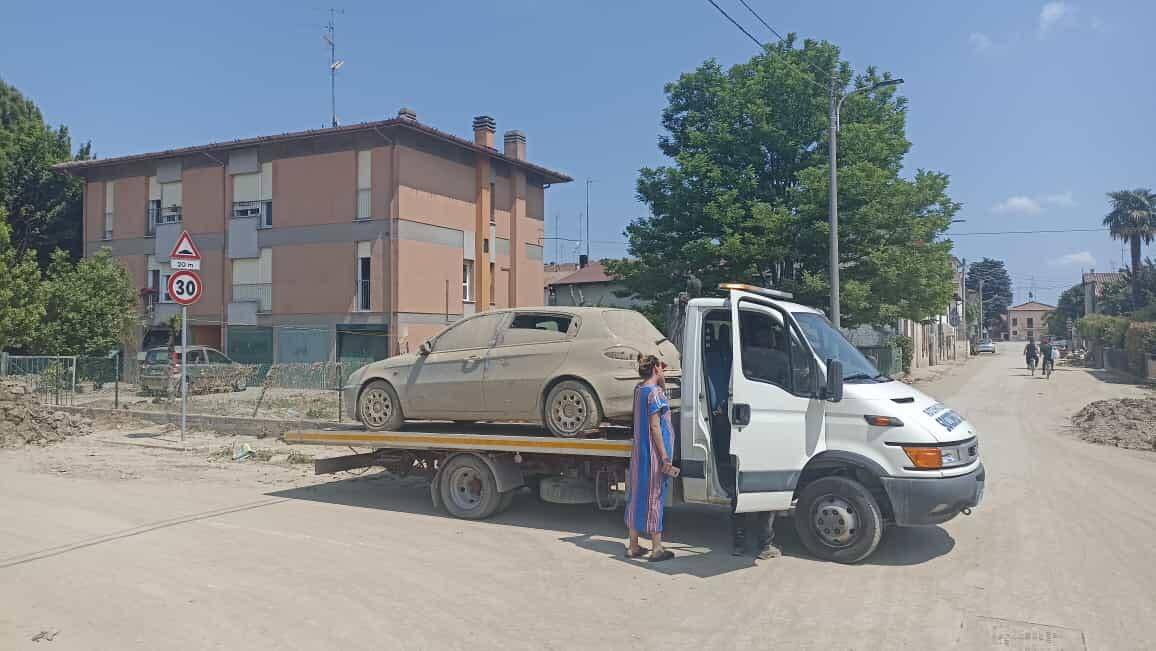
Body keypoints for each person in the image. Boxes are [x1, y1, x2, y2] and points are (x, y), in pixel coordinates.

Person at [624, 354, 679, 562]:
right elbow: (655, 426)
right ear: (656, 369)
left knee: (636, 495)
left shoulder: (639, 390)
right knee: (655, 496)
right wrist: (665, 456)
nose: (663, 372)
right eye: (661, 368)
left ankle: (633, 545)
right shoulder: (655, 393)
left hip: (639, 452)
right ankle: (656, 548)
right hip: (654, 455)